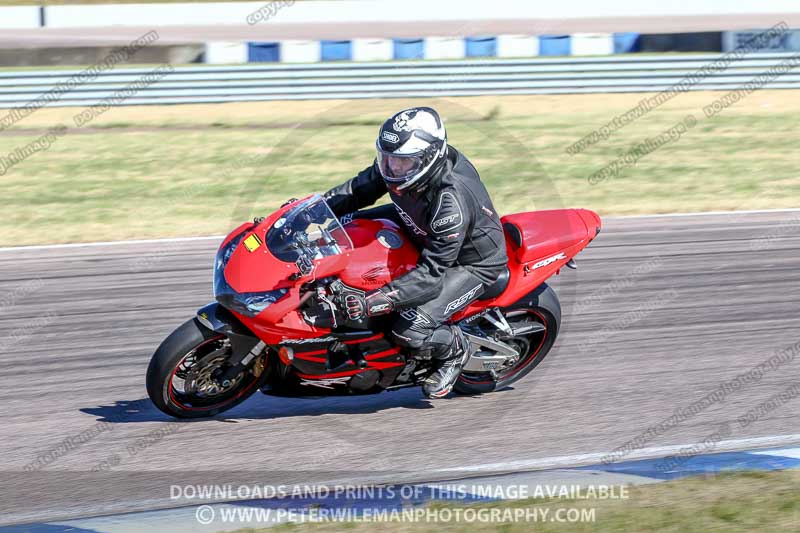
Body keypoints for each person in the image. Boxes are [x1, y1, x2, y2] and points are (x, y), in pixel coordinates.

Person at [323, 107, 508, 398]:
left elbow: (431, 275)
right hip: (417, 226)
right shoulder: (404, 164)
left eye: (402, 162)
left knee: (407, 330)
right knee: (344, 227)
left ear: (429, 158)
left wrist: (373, 302)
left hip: (466, 263)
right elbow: (357, 190)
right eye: (388, 158)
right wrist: (310, 209)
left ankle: (454, 351)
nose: (393, 168)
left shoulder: (450, 203)